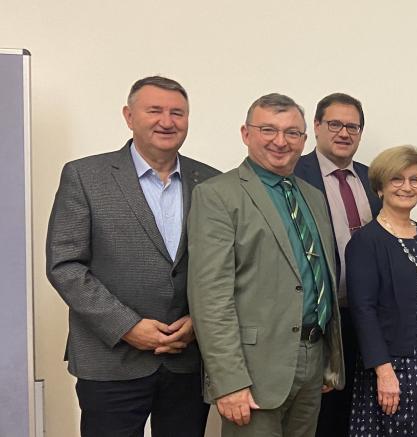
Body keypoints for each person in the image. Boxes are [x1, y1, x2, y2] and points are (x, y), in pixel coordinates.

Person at [45, 75, 218, 437]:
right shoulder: (85, 176)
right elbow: (65, 265)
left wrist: (197, 321)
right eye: (154, 110)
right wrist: (127, 327)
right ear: (128, 116)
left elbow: (224, 266)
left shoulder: (211, 181)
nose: (167, 121)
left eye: (178, 112)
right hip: (110, 360)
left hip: (187, 358)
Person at [188, 93, 345, 437]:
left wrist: (325, 361)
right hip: (254, 371)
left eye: (292, 133)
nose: (280, 141)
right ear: (246, 134)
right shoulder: (218, 195)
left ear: (304, 141)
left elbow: (318, 280)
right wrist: (228, 382)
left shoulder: (312, 197)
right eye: (268, 130)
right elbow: (210, 297)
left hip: (311, 361)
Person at [345, 145, 417, 436]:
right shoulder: (365, 241)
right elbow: (363, 310)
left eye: (414, 179)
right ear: (380, 187)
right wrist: (383, 371)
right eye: (397, 179)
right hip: (395, 357)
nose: (407, 187)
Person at [294, 92, 382, 437]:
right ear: (316, 127)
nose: (344, 133)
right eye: (335, 124)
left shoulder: (373, 178)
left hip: (368, 315)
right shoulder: (294, 175)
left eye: (353, 126)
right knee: (322, 415)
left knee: (363, 411)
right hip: (320, 318)